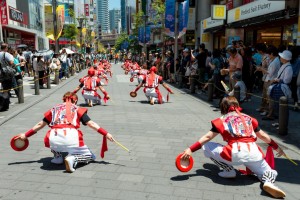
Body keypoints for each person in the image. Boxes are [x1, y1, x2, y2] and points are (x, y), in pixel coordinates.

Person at [181, 96, 286, 198]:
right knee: (270, 172)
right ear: (237, 105)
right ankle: (268, 182)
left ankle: (229, 170)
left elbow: (208, 137)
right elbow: (263, 136)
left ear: (223, 108)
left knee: (207, 146)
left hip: (234, 153)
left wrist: (191, 149)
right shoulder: (249, 118)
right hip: (254, 153)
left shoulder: (222, 120)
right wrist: (277, 147)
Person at [16, 92, 114, 173]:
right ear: (75, 100)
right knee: (90, 156)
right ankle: (73, 159)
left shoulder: (54, 109)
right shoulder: (77, 108)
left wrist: (26, 135)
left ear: (63, 99)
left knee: (54, 137)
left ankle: (58, 157)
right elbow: (91, 123)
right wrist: (105, 133)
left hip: (53, 137)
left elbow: (40, 124)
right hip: (71, 136)